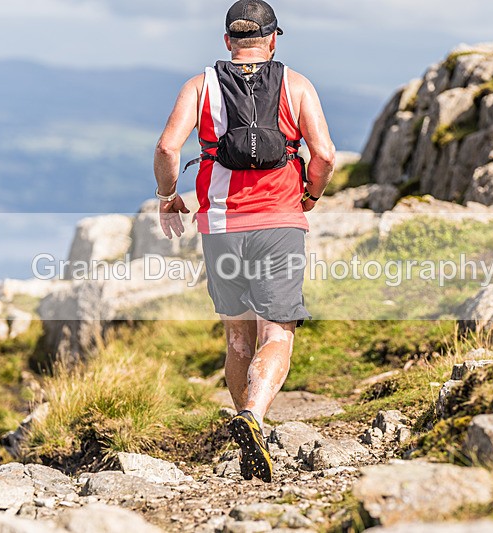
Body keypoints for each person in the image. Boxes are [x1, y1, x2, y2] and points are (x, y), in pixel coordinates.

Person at [153, 0, 335, 483]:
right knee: (277, 333)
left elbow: (168, 147)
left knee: (238, 336)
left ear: (228, 41)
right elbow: (324, 154)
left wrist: (168, 196)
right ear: (273, 39)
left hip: (220, 227)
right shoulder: (296, 85)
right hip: (279, 224)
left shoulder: (200, 86)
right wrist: (310, 195)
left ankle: (245, 428)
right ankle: (253, 417)